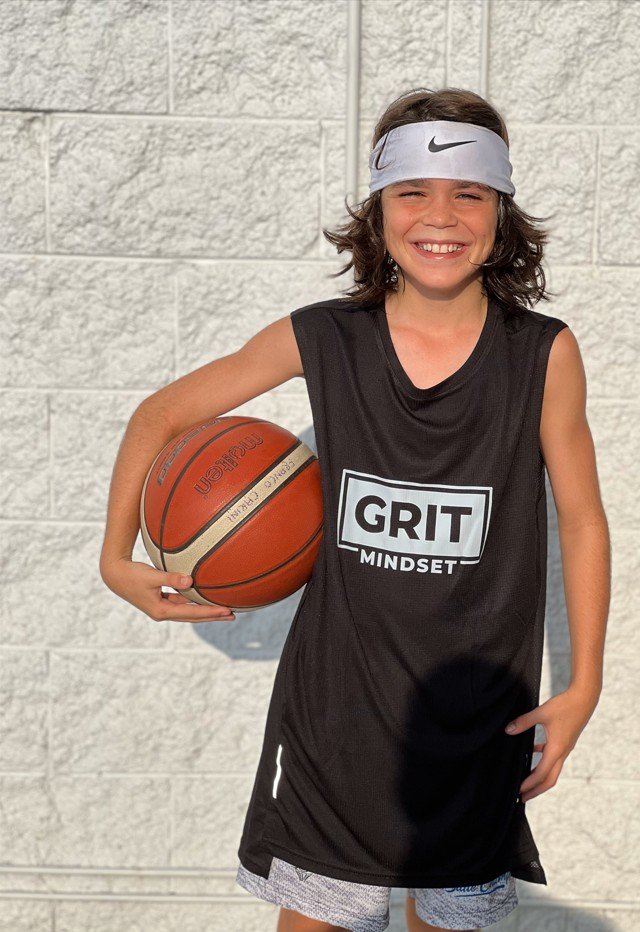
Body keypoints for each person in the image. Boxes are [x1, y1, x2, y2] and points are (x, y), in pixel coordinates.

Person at [100, 86, 610, 932]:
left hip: (474, 726)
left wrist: (584, 683)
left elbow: (584, 518)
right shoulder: (326, 338)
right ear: (377, 215)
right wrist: (118, 557)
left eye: (469, 193)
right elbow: (160, 415)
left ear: (501, 210)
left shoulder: (542, 355)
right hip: (334, 722)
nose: (439, 215)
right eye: (412, 192)